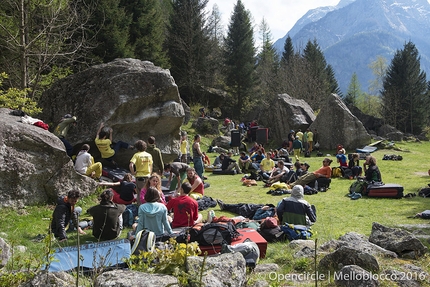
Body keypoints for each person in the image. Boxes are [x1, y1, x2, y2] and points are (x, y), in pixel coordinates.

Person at [129, 140, 153, 204]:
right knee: (148, 193)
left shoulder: (136, 155)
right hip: (148, 176)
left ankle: (140, 209)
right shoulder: (149, 155)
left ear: (137, 147)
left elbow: (131, 165)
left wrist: (133, 173)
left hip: (139, 177)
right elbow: (151, 166)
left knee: (140, 194)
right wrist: (150, 174)